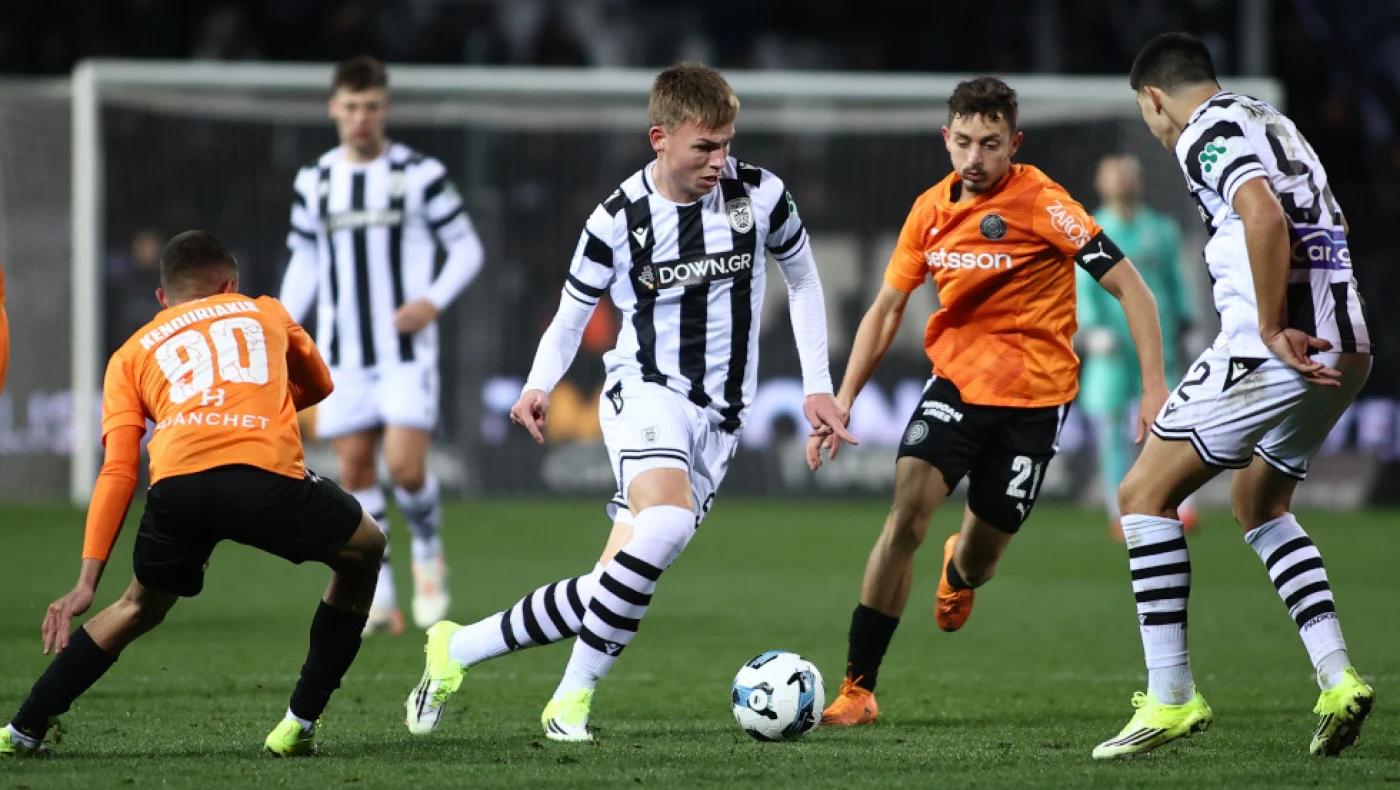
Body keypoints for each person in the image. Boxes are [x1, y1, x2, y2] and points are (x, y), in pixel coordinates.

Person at [402, 63, 853, 742]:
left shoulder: (761, 195)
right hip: (645, 392)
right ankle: (569, 703)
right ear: (659, 139)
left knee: (615, 582)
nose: (719, 160)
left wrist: (818, 383)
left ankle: (457, 647)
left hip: (722, 420)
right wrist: (538, 383)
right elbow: (571, 313)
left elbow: (804, 280)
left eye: (726, 144)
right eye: (704, 146)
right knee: (665, 522)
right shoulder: (617, 219)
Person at [816, 77, 1169, 727]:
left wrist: (1153, 389)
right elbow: (888, 307)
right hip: (954, 385)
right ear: (945, 139)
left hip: (1035, 402)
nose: (974, 157)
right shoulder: (929, 211)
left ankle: (959, 569)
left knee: (979, 561)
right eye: (963, 142)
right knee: (905, 518)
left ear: (1014, 144)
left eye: (990, 143)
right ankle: (858, 688)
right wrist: (844, 397)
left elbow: (1132, 289)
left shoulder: (1045, 204)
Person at [1092, 32, 1374, 760]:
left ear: (1154, 98)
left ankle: (1171, 696)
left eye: (1147, 114)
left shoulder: (1202, 131)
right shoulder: (1271, 120)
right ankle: (1338, 679)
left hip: (1273, 347)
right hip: (1347, 346)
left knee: (1141, 496)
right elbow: (1329, 220)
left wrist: (1273, 325)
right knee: (1259, 503)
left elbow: (1264, 214)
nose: (1154, 129)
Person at [0, 231, 385, 758]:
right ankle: (299, 724)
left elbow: (119, 469)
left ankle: (22, 729)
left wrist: (85, 581)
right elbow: (319, 385)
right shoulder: (264, 310)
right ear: (230, 285)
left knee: (136, 606)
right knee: (366, 549)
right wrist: (252, 409)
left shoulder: (130, 352)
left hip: (178, 487)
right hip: (265, 479)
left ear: (163, 296)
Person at [280, 56, 485, 635]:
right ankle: (383, 593)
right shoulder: (314, 180)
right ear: (334, 109)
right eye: (351, 107)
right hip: (342, 352)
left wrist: (432, 302)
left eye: (371, 107)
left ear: (385, 109)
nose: (361, 118)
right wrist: (282, 326)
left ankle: (428, 549)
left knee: (406, 467)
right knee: (354, 467)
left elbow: (466, 248)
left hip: (404, 352)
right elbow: (306, 259)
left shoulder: (420, 174)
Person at [1076, 154, 1198, 536]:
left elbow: (1175, 279)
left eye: (1128, 174)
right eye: (1114, 175)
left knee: (1171, 420)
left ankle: (1179, 503)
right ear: (1100, 183)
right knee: (1112, 426)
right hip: (1112, 346)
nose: (1122, 181)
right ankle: (1120, 512)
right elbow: (1082, 285)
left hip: (1156, 339)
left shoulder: (1160, 230)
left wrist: (1186, 321)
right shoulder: (1089, 230)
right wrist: (1091, 328)